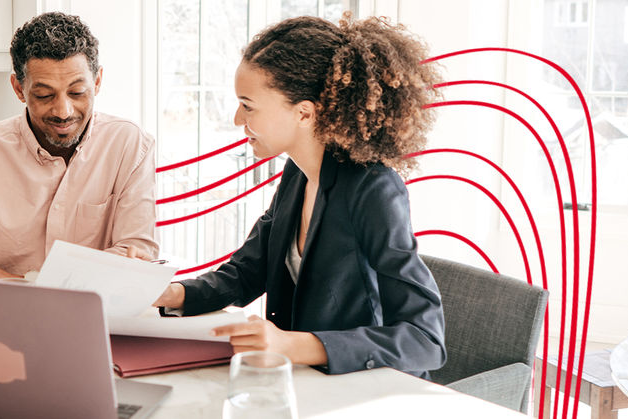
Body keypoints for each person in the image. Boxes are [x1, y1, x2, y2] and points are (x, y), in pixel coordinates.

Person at [153, 14, 447, 379]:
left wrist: (292, 346)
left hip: (363, 389)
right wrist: (168, 294)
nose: (235, 119)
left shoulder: (373, 190)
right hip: (306, 383)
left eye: (248, 105)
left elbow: (425, 340)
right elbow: (246, 274)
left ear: (304, 113)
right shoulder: (297, 173)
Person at [0, 12, 158, 279]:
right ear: (18, 88)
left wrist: (15, 280)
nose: (63, 111)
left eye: (77, 92)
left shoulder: (130, 145)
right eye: (44, 95)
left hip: (95, 318)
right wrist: (89, 274)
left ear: (97, 82)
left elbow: (136, 259)